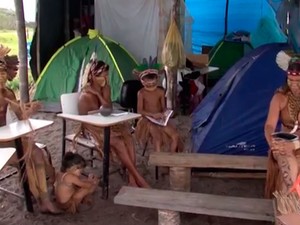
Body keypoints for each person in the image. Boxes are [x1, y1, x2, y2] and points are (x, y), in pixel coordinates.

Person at [0, 45, 60, 214]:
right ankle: (34, 194)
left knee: (38, 154)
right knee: (25, 160)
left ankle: (44, 199)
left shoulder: (9, 94)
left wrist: (29, 110)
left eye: (4, 73)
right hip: (1, 144)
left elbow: (21, 117)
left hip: (9, 137)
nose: (2, 77)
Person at [76, 59, 150, 188]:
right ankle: (138, 177)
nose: (105, 77)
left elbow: (107, 108)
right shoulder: (85, 96)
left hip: (105, 123)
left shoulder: (106, 88)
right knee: (119, 142)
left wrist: (99, 94)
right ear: (93, 76)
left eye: (106, 74)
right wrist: (96, 93)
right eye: (102, 75)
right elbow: (85, 122)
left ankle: (132, 179)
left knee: (128, 137)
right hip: (91, 129)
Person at [264, 51, 300, 199]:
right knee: (288, 163)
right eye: (290, 81)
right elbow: (269, 126)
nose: (293, 85)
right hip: (283, 143)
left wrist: (296, 145)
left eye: (298, 82)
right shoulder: (280, 97)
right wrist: (273, 142)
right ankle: (287, 206)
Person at [135, 69, 181, 153]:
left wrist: (166, 113)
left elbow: (164, 107)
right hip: (147, 120)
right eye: (148, 84)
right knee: (157, 138)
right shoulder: (141, 93)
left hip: (159, 119)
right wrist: (152, 115)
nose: (151, 85)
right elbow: (139, 110)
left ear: (157, 81)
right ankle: (159, 162)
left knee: (175, 136)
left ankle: (172, 158)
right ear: (143, 82)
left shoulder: (160, 92)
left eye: (153, 83)